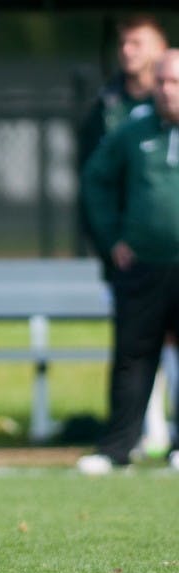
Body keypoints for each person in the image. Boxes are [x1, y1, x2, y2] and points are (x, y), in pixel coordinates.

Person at [76, 49, 179, 475]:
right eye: (162, 82)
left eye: (175, 82)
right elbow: (95, 181)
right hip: (144, 266)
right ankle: (118, 447)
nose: (167, 90)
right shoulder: (133, 133)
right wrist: (112, 237)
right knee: (133, 357)